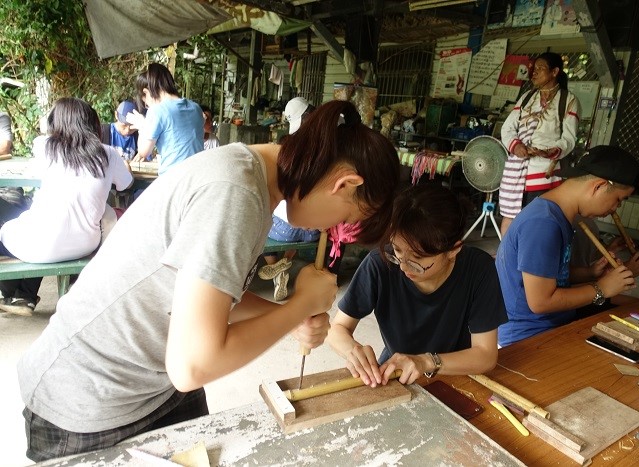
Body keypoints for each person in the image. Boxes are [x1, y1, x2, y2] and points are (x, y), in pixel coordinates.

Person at [17, 100, 400, 461]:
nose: (334, 229)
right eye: (347, 217)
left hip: (148, 387)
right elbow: (191, 366)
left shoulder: (255, 177)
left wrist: (286, 316)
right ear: (345, 183)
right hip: (90, 399)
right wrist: (300, 305)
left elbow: (211, 294)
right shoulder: (236, 193)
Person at [327, 184, 507, 387]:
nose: (403, 267)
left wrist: (426, 362)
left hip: (456, 375)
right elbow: (338, 328)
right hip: (395, 375)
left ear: (453, 250)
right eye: (397, 250)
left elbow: (485, 355)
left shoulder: (478, 269)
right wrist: (352, 350)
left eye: (417, 259)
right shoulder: (381, 264)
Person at [496, 145, 639, 347]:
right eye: (618, 200)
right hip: (527, 337)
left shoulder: (556, 215)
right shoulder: (544, 223)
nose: (615, 209)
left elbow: (550, 276)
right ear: (598, 186)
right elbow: (540, 302)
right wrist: (602, 288)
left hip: (553, 323)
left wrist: (591, 273)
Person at [0, 98, 133, 316]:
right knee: (100, 215)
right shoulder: (107, 153)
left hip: (39, 244)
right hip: (86, 244)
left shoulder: (46, 148)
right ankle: (27, 295)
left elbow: (30, 175)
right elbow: (126, 184)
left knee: (11, 228)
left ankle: (18, 295)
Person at [498, 52, 580, 237]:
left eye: (540, 69)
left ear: (554, 72)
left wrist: (551, 151)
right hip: (516, 172)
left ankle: (526, 261)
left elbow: (569, 138)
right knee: (510, 218)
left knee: (536, 221)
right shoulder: (527, 97)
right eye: (533, 69)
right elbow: (508, 128)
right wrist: (517, 146)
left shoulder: (569, 100)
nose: (534, 73)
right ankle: (507, 260)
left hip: (544, 175)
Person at [258, 97, 319, 301]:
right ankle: (285, 261)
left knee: (263, 224)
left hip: (287, 230)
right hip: (314, 229)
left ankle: (275, 267)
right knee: (297, 220)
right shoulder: (326, 146)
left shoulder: (286, 151)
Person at [129, 63, 204, 175]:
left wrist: (141, 126)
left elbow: (143, 152)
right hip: (198, 176)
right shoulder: (196, 108)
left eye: (146, 103)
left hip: (174, 180)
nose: (147, 106)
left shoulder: (157, 110)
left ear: (146, 92)